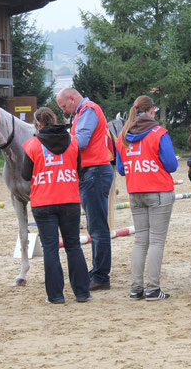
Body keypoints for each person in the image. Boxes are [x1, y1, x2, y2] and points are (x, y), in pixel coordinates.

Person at [21, 107, 91, 304]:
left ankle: (56, 295)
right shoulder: (73, 142)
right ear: (55, 120)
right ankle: (82, 292)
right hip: (69, 199)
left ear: (38, 124)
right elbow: (78, 170)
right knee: (73, 245)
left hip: (43, 202)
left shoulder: (32, 145)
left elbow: (26, 175)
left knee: (50, 249)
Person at [115, 95, 178, 301]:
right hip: (158, 191)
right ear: (152, 111)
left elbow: (122, 169)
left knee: (140, 242)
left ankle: (136, 288)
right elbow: (171, 165)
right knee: (157, 242)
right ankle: (152, 288)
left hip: (135, 191)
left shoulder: (122, 136)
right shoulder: (159, 133)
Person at [56, 88, 114, 291]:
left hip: (94, 172)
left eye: (64, 106)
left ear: (72, 99)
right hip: (93, 172)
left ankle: (100, 275)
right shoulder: (83, 112)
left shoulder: (88, 110)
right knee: (95, 227)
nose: (64, 111)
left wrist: (56, 141)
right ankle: (98, 272)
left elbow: (81, 141)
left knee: (97, 228)